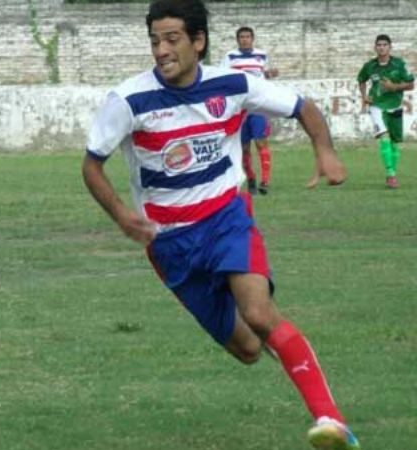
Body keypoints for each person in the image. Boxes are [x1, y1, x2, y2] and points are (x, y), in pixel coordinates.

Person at [81, 1, 360, 449]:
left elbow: (303, 107)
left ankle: (330, 418)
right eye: (155, 40)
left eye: (172, 39)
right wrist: (120, 214)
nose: (161, 50)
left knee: (258, 312)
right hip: (170, 245)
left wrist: (324, 150)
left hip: (227, 218)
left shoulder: (232, 84)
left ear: (199, 41)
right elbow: (92, 165)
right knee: (248, 349)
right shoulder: (128, 100)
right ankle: (295, 358)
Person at [221, 26, 279, 195]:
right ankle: (251, 179)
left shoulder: (262, 55)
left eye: (247, 37)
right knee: (244, 148)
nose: (245, 39)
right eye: (241, 37)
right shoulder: (230, 56)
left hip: (258, 106)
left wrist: (269, 74)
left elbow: (262, 76)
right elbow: (223, 77)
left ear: (252, 39)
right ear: (237, 40)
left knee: (261, 142)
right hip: (240, 109)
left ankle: (265, 181)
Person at [357, 34, 414, 189]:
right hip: (377, 106)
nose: (381, 47)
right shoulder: (370, 66)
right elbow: (361, 79)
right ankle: (391, 174)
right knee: (385, 138)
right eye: (379, 45)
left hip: (395, 106)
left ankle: (392, 172)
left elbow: (411, 84)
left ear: (390, 47)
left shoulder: (399, 64)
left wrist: (394, 87)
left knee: (395, 144)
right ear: (375, 47)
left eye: (384, 45)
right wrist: (364, 97)